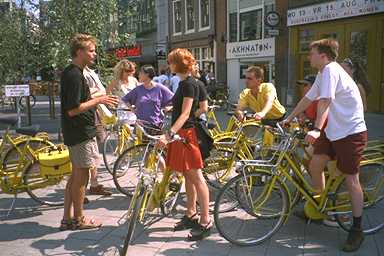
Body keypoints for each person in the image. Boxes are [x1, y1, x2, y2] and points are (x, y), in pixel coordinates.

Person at [283, 39, 367, 252]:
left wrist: (317, 129)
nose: (309, 57)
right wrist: (289, 117)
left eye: (311, 53)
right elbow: (309, 99)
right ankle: (320, 207)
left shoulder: (331, 70)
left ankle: (357, 229)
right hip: (334, 131)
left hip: (351, 132)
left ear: (323, 55)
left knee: (351, 180)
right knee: (315, 165)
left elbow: (325, 101)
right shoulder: (323, 73)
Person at [59, 34, 119, 230]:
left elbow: (77, 100)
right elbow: (73, 109)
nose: (94, 54)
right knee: (81, 178)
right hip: (80, 133)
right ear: (79, 52)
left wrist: (97, 95)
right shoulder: (75, 75)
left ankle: (67, 218)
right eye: (91, 50)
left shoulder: (73, 72)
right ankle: (79, 219)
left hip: (78, 132)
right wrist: (98, 100)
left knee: (75, 177)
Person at [158, 48, 212, 241]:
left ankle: (205, 220)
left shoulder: (188, 84)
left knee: (197, 177)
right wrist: (171, 110)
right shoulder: (191, 83)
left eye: (171, 61)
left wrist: (170, 133)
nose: (168, 64)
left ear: (177, 64)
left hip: (185, 134)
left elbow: (185, 113)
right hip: (185, 132)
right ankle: (191, 213)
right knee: (188, 176)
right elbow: (201, 108)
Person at [83, 66, 112, 196]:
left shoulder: (90, 71)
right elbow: (84, 95)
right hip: (86, 118)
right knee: (86, 157)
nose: (94, 54)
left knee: (94, 154)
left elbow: (102, 91)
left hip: (94, 115)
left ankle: (94, 185)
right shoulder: (79, 73)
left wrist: (96, 92)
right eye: (91, 51)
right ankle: (81, 191)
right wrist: (97, 93)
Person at [121, 65, 174, 131]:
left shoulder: (159, 88)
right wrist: (133, 110)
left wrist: (169, 107)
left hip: (156, 125)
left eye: (141, 73)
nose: (138, 75)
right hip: (141, 125)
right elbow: (125, 99)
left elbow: (174, 98)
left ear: (147, 74)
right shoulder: (138, 89)